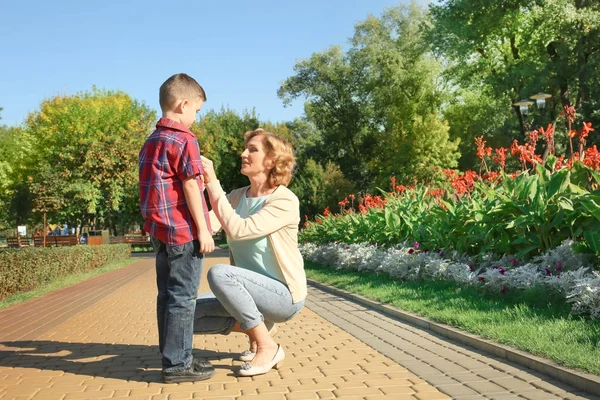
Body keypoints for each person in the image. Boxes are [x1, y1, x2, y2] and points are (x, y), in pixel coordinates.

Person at [194, 128, 306, 377]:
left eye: (252, 149)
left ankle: (267, 346)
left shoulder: (283, 201)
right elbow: (206, 226)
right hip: (248, 294)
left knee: (221, 274)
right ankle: (260, 330)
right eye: (245, 148)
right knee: (182, 315)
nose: (243, 153)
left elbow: (238, 230)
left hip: (283, 297)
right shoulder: (236, 197)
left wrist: (212, 182)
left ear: (271, 161)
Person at [138, 73, 215, 383]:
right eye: (196, 110)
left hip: (160, 234)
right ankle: (178, 365)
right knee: (183, 298)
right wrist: (204, 230)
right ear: (184, 104)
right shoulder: (185, 139)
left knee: (166, 297)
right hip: (183, 233)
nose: (196, 117)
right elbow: (191, 185)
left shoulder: (152, 140)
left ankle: (173, 356)